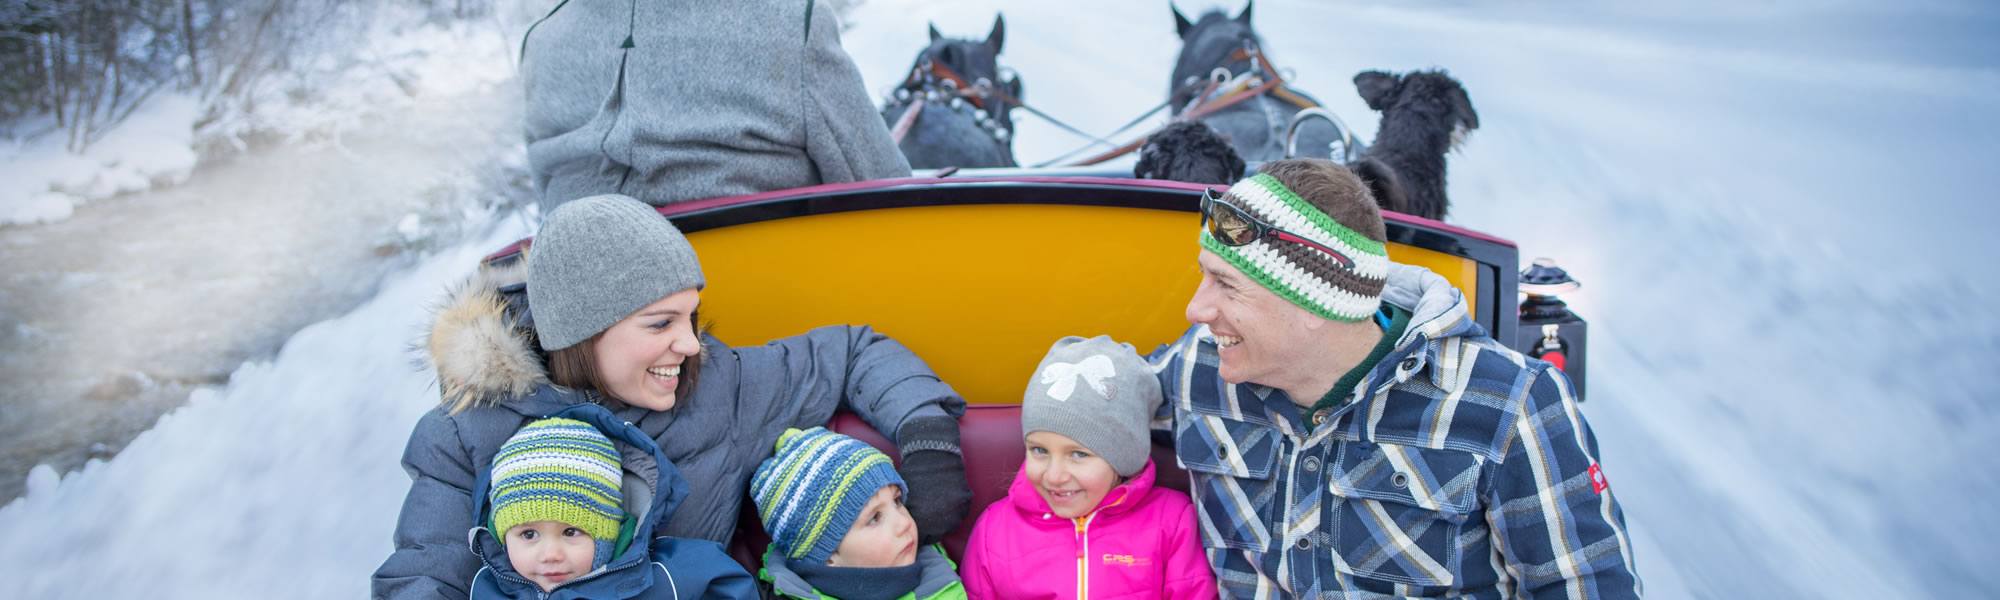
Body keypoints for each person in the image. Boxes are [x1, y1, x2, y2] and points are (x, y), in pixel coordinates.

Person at [374, 194, 971, 599]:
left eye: (691, 317)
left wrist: (927, 437)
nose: (689, 344)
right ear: (584, 331)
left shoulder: (720, 385)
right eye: (660, 324)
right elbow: (427, 574)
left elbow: (853, 350)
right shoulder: (467, 431)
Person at [1149, 159, 1642, 598]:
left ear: (1316, 305)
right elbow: (1096, 387)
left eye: (1228, 286)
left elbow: (1585, 587)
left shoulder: (1510, 404)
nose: (1196, 309)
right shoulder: (1200, 364)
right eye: (1204, 275)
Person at [519, 0, 912, 211]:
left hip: (585, 329)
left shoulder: (541, 41)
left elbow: (545, 188)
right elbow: (885, 193)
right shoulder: (792, 21)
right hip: (772, 314)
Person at [959, 336, 1215, 599]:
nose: (1054, 475)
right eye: (1039, 450)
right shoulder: (996, 530)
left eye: (1078, 454)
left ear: (1123, 457)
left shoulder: (1172, 521)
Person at [470, 413, 756, 599]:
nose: (551, 555)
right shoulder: (488, 588)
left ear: (608, 533)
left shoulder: (664, 575)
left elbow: (729, 583)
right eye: (529, 535)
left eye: (571, 532)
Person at [749, 427, 966, 599]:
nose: (904, 523)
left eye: (897, 501)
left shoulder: (940, 585)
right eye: (875, 518)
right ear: (829, 555)